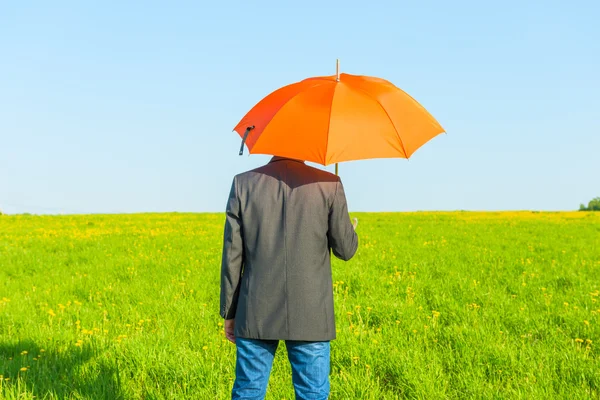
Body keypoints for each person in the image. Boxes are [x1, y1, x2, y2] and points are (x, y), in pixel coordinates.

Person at [220, 156, 359, 400]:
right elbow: (345, 250)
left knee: (248, 393)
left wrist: (230, 313)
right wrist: (350, 228)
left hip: (254, 312)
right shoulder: (330, 183)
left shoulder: (243, 183)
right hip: (311, 314)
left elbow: (232, 257)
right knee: (312, 395)